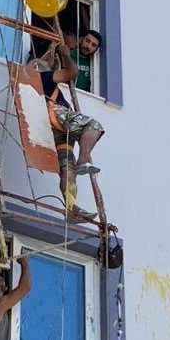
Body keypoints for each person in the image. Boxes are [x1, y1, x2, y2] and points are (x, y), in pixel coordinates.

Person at [41, 39, 104, 212]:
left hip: (53, 125)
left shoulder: (35, 83)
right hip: (58, 114)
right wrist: (65, 53)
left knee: (66, 166)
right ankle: (83, 162)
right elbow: (72, 72)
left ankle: (70, 207)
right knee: (93, 126)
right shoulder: (44, 76)